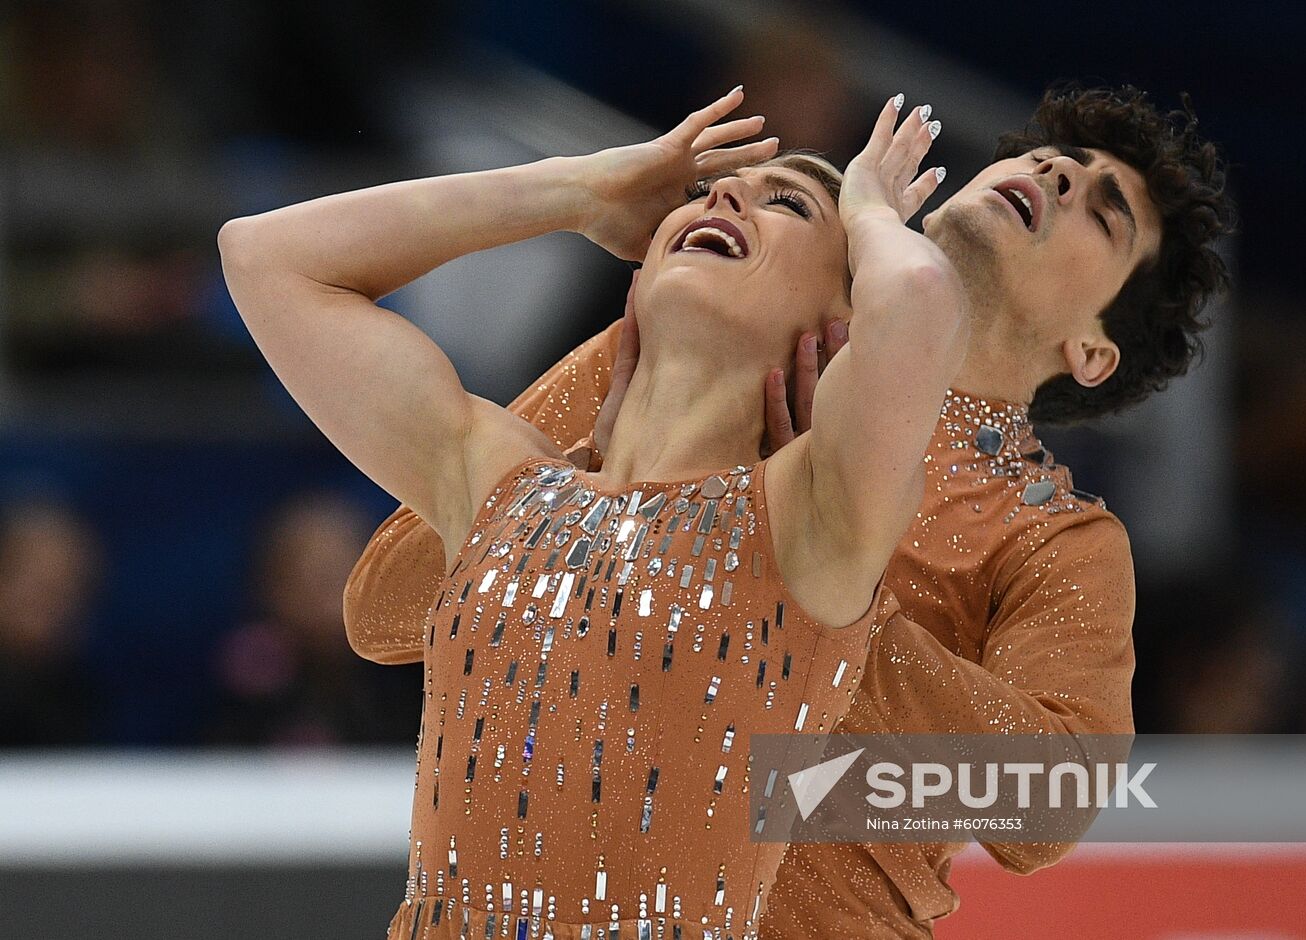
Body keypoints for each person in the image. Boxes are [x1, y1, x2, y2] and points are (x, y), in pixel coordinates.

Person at [344, 82, 1235, 938]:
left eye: (1102, 211)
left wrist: (815, 611)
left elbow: (1046, 803)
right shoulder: (708, 324)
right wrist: (590, 479)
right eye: (1052, 157)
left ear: (1091, 351)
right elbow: (384, 607)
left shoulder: (1050, 535)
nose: (1059, 174)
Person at [220, 88, 970, 939]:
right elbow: (264, 256)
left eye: (786, 202)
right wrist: (575, 194)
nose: (724, 195)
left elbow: (918, 300)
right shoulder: (499, 481)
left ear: (841, 316)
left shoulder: (811, 516)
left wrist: (872, 206)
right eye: (709, 192)